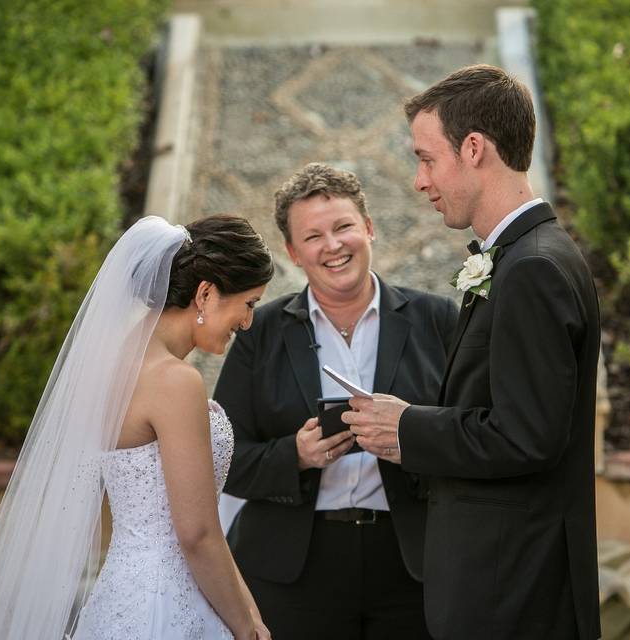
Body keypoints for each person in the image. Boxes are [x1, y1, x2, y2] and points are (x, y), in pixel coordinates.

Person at [343, 65, 602, 639]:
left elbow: (527, 436)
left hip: (515, 594)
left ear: (475, 149)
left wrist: (409, 428)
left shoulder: (532, 268)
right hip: (501, 586)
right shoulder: (520, 258)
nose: (419, 181)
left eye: (427, 158)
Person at [0, 215, 274, 640]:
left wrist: (250, 615)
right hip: (169, 608)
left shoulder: (114, 364)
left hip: (121, 599)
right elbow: (196, 533)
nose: (248, 322)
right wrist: (247, 628)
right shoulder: (174, 381)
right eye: (248, 304)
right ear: (206, 293)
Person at [214, 163, 457, 639]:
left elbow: (469, 432)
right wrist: (295, 456)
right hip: (290, 569)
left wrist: (411, 438)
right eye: (313, 236)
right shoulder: (257, 332)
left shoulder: (437, 319)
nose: (333, 245)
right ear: (292, 253)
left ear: (369, 228)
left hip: (411, 562)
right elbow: (222, 460)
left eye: (344, 226)